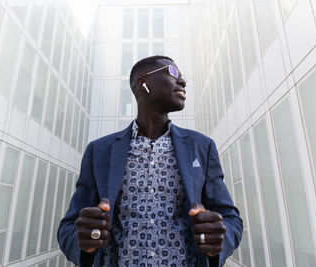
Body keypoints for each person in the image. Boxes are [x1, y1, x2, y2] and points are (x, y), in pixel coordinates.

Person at [58, 55, 243, 266]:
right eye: (173, 73)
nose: (182, 81)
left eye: (182, 77)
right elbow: (68, 228)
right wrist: (84, 244)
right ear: (142, 83)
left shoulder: (201, 147)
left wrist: (218, 241)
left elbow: (231, 219)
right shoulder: (99, 151)